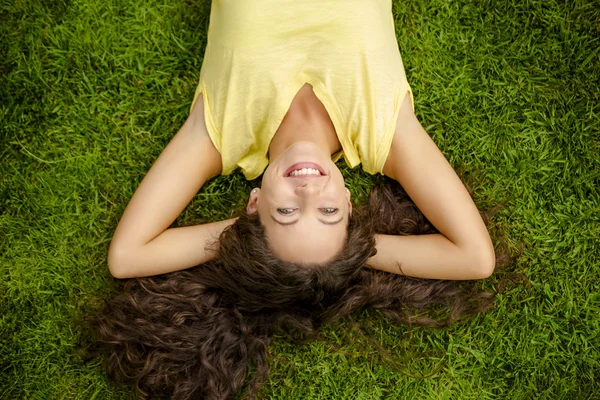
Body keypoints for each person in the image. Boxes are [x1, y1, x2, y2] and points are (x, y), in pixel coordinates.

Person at [94, 1, 497, 399]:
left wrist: (251, 242)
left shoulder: (220, 134)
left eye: (286, 212)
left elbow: (128, 256)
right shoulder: (384, 131)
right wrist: (346, 252)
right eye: (329, 212)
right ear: (349, 202)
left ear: (253, 207)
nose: (308, 192)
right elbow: (475, 258)